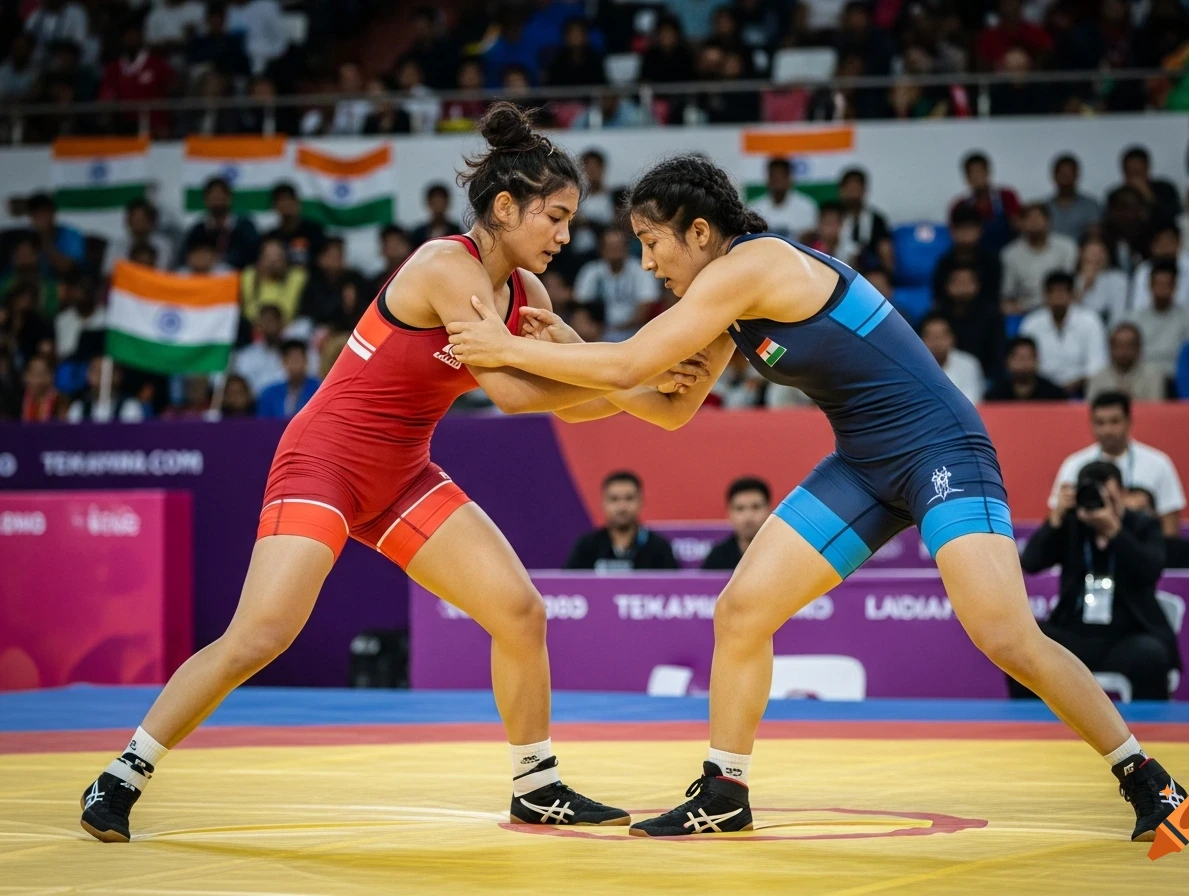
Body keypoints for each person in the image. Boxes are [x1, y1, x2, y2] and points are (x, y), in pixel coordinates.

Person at [445, 153, 1187, 841]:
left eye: (651, 241)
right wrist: (573, 352)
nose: (645, 262)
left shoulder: (752, 267)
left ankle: (1148, 780)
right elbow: (667, 405)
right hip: (863, 465)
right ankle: (724, 791)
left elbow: (635, 359)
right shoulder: (724, 302)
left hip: (940, 450)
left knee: (1004, 635)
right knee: (741, 611)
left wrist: (507, 348)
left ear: (699, 231)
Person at [76, 104, 716, 843]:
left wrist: (640, 389)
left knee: (519, 611)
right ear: (504, 208)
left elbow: (563, 405)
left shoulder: (527, 298)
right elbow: (513, 394)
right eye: (556, 217)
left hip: (402, 473)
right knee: (262, 632)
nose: (566, 237)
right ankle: (122, 773)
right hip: (325, 459)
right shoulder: (447, 267)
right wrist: (636, 377)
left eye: (571, 221)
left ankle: (535, 784)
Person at [1016, 461, 1179, 702]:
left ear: (1122, 494)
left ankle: (1150, 734)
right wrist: (1056, 518)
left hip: (1126, 636)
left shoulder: (1143, 525)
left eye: (1108, 497)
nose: (1101, 504)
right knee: (1023, 645)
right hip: (1075, 635)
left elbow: (1151, 570)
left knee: (1152, 655)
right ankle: (1031, 728)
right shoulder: (1072, 524)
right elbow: (1031, 562)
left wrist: (1114, 530)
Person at [1049, 391, 1186, 536]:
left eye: (1114, 421)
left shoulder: (1158, 464)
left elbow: (1170, 528)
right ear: (1091, 424)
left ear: (1129, 422)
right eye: (1100, 423)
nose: (1107, 430)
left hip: (1143, 549)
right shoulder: (1074, 464)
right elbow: (1054, 519)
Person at [564, 471, 679, 571]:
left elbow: (674, 589)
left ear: (641, 501)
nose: (622, 506)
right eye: (614, 499)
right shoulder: (587, 546)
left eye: (629, 498)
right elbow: (568, 588)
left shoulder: (659, 547)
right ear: (603, 503)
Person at [1017, 270, 1107, 394]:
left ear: (1072, 295)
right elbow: (1027, 361)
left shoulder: (1090, 320)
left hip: (1082, 387)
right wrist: (1052, 388)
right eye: (1053, 292)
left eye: (1062, 292)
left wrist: (1073, 384)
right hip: (1042, 388)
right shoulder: (1031, 323)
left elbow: (1096, 365)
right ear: (1045, 295)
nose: (1058, 297)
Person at [1119, 260, 1189, 379]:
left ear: (1175, 286)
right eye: (1158, 284)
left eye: (1167, 284)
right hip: (1143, 376)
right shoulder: (1134, 318)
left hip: (1177, 376)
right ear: (1150, 286)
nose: (1162, 289)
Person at [1000, 203, 1079, 315]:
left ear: (1048, 220)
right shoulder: (1009, 254)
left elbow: (1070, 284)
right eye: (1029, 218)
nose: (1034, 222)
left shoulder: (1067, 246)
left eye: (1038, 218)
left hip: (1062, 306)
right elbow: (1008, 294)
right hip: (1025, 310)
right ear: (1020, 223)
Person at [1128, 221, 1189, 313]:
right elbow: (1138, 308)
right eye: (1159, 241)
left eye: (1169, 241)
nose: (1165, 247)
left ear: (1179, 242)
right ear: (1151, 246)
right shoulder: (1143, 271)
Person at [702, 477, 772, 571]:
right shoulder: (717, 557)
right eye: (740, 508)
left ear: (769, 511)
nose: (748, 517)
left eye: (756, 507)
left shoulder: (783, 554)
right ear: (729, 514)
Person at [1124, 487, 1189, 569]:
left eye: (1141, 511)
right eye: (1129, 512)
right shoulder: (1114, 553)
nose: (1134, 517)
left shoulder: (1182, 551)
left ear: (1155, 514)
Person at [1087, 324, 1166, 403]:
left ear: (1139, 348)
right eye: (1118, 346)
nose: (1123, 351)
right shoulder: (1098, 377)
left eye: (1129, 345)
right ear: (1110, 348)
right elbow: (1092, 409)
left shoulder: (1153, 376)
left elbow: (1156, 409)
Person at [919, 312, 984, 405]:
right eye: (931, 337)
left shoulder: (969, 364)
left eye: (941, 336)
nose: (936, 343)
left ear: (952, 338)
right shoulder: (913, 366)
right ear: (921, 340)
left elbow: (973, 399)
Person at [747, 158, 818, 239]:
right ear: (768, 179)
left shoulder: (806, 206)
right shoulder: (755, 207)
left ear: (789, 178)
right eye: (774, 176)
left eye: (782, 176)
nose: (778, 181)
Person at [983, 336, 1069, 401]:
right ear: (1007, 361)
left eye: (1029, 357)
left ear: (1037, 360)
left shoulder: (1055, 395)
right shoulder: (995, 396)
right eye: (1020, 358)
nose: (1024, 363)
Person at [1042, 153, 1102, 244]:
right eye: (1062, 174)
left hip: (1082, 254)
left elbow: (1094, 237)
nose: (1066, 178)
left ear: (1077, 175)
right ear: (1054, 176)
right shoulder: (1044, 207)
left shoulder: (1090, 205)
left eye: (1069, 174)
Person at [264, 183, 327, 269]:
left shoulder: (314, 231)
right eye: (281, 201)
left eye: (288, 200)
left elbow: (323, 261)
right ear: (275, 206)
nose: (285, 204)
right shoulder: (271, 237)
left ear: (297, 203)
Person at [255, 340, 320, 419]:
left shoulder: (318, 389)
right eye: (291, 360)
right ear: (283, 362)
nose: (295, 364)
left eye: (298, 359)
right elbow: (263, 424)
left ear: (306, 361)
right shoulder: (269, 393)